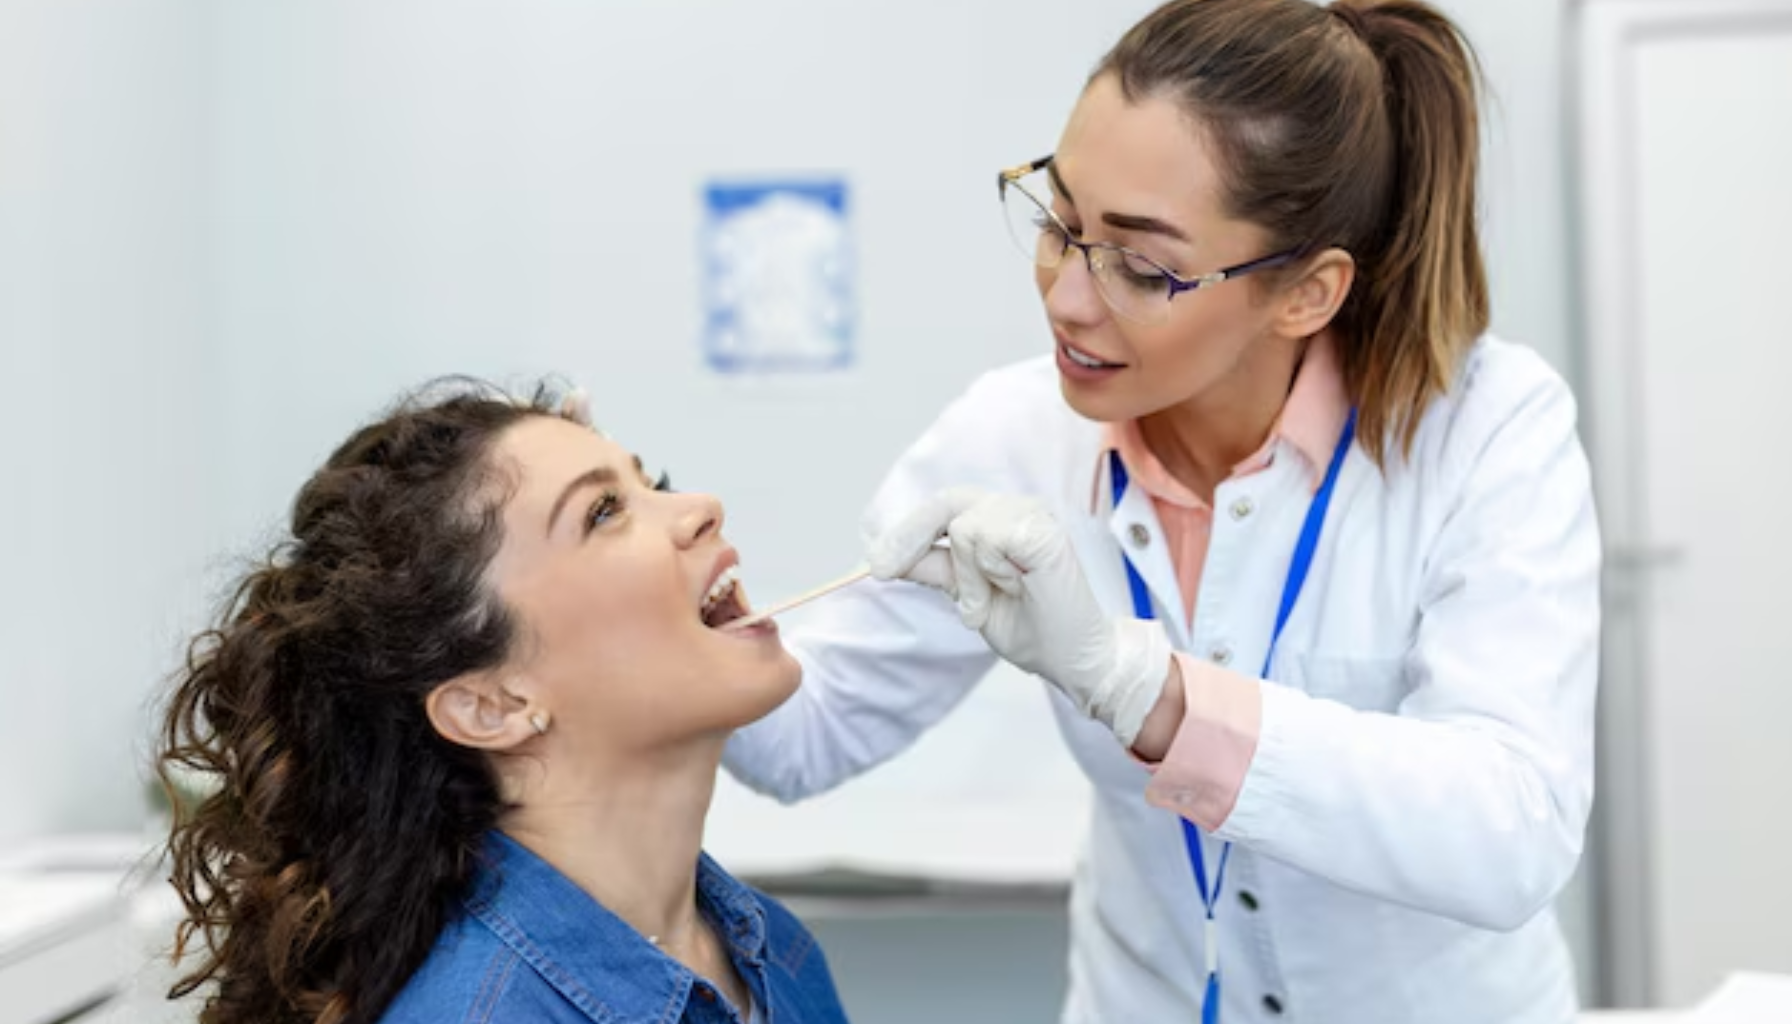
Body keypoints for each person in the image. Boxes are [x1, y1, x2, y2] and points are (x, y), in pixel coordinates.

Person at [715, 2, 1602, 1022]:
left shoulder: (1485, 429)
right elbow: (803, 739)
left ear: (1307, 294)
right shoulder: (1012, 438)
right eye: (1058, 224)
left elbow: (1512, 832)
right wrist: (663, 593)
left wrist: (1148, 694)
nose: (1066, 298)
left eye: (1142, 268)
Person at [155, 383, 852, 1024]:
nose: (701, 507)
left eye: (651, 483)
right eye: (603, 511)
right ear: (492, 705)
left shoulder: (779, 956)